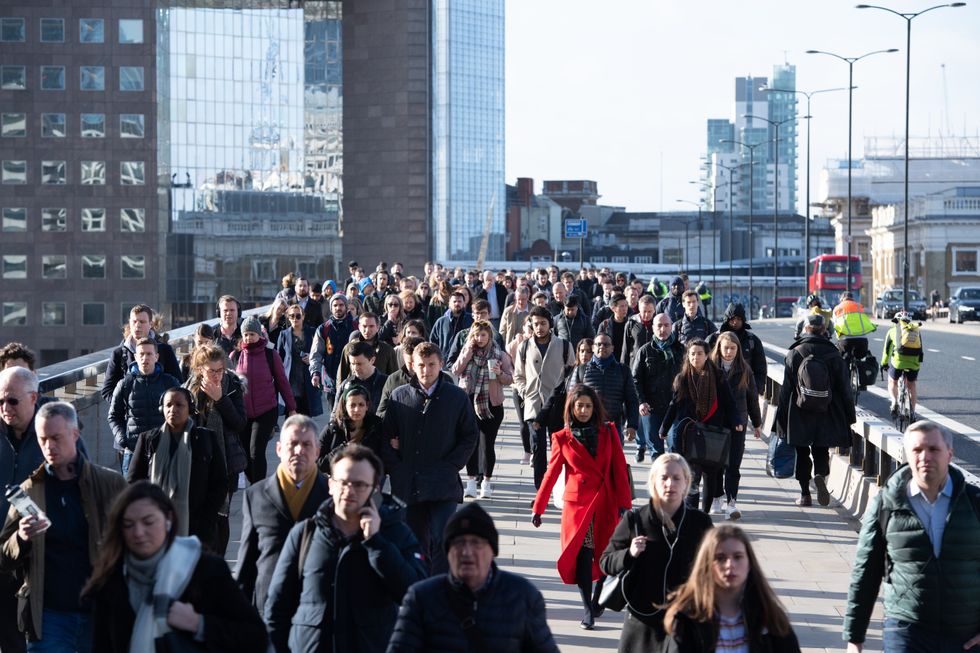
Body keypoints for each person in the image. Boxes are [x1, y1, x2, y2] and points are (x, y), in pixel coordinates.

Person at [265, 444, 425, 653]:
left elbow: (415, 593)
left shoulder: (395, 533)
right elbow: (276, 608)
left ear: (374, 489)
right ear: (330, 485)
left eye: (359, 485)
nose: (349, 491)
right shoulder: (305, 534)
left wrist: (377, 544)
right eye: (343, 483)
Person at [843, 420, 980, 653]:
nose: (925, 457)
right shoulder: (887, 503)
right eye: (917, 450)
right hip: (906, 630)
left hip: (964, 635)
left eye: (933, 449)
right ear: (907, 454)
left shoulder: (974, 502)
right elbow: (866, 570)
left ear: (950, 454)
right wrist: (854, 638)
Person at [0, 401, 127, 651]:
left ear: (75, 434)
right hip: (49, 618)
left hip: (99, 612)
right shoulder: (28, 492)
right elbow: (3, 556)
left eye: (56, 438)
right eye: (43, 439)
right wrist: (21, 538)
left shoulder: (110, 484)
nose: (49, 447)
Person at [84, 481, 269, 653]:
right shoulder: (110, 581)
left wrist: (199, 624)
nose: (138, 533)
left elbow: (255, 637)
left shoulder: (204, 570)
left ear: (168, 519)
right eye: (128, 525)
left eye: (148, 522)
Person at [387, 501, 560, 653]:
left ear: (492, 550)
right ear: (447, 552)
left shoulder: (523, 596)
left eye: (476, 543)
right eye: (458, 543)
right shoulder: (421, 597)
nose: (467, 552)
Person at [531, 384, 633, 630]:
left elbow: (619, 469)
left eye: (588, 406)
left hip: (606, 501)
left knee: (605, 554)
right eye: (579, 406)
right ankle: (587, 607)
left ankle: (598, 599)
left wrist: (624, 503)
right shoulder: (562, 438)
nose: (584, 410)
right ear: (572, 408)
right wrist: (538, 507)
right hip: (579, 505)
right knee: (584, 555)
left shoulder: (609, 432)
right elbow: (551, 473)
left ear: (594, 408)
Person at [599, 454, 714, 653]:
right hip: (643, 623)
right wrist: (629, 553)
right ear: (653, 481)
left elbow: (714, 568)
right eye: (664, 477)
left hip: (685, 622)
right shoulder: (635, 520)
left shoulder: (700, 522)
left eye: (677, 478)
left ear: (686, 483)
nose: (670, 484)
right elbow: (605, 561)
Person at [382, 342, 479, 573]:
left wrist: (452, 465)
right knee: (414, 542)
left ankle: (442, 587)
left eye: (431, 365)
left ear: (441, 364)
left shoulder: (455, 397)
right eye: (421, 365)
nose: (426, 371)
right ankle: (419, 586)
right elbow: (386, 437)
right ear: (412, 366)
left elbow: (470, 435)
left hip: (442, 481)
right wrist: (397, 467)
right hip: (408, 483)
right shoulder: (399, 396)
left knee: (443, 538)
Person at [235, 415, 328, 614]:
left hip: (318, 610)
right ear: (278, 449)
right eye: (292, 444)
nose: (299, 451)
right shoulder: (256, 496)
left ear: (317, 451)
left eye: (306, 445)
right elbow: (246, 565)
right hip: (268, 605)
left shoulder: (332, 496)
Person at [663, 525, 800, 653]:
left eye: (738, 557)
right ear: (707, 564)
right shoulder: (688, 616)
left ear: (749, 563)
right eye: (720, 558)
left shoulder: (767, 614)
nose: (730, 565)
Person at [128, 387, 227, 545]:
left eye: (179, 405)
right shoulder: (148, 440)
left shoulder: (205, 439)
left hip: (197, 529)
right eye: (168, 405)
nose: (173, 409)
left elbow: (220, 482)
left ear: (190, 409)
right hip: (154, 527)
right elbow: (133, 483)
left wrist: (207, 517)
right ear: (162, 409)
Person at [775, 314, 855, 507]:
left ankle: (804, 495)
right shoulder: (834, 354)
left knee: (802, 452)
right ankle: (820, 475)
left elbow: (786, 389)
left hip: (799, 410)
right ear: (824, 330)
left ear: (805, 329)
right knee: (821, 449)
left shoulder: (795, 353)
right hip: (827, 410)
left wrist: (780, 419)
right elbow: (845, 389)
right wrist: (849, 416)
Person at [659, 339, 736, 513]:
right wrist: (665, 426)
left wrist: (737, 422)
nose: (695, 357)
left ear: (707, 355)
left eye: (700, 353)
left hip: (712, 433)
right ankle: (691, 514)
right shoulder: (682, 378)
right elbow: (674, 405)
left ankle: (705, 514)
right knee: (692, 477)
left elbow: (730, 403)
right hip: (689, 434)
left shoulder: (718, 377)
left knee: (711, 476)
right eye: (692, 354)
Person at [185, 343, 247, 555]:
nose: (216, 376)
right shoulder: (190, 390)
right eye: (211, 371)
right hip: (198, 462)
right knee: (200, 513)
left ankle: (218, 559)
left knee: (222, 515)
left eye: (219, 370)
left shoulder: (232, 384)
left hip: (226, 462)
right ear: (200, 369)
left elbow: (239, 422)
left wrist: (221, 399)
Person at [0, 367, 46, 653]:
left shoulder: (52, 431)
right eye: (0, 401)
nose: (5, 408)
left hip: (34, 557)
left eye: (12, 401)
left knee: (31, 639)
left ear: (33, 398)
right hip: (1, 554)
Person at [512, 306, 576, 489]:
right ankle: (540, 489)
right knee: (538, 449)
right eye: (536, 324)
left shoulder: (564, 345)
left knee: (559, 449)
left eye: (543, 323)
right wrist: (525, 392)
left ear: (550, 324)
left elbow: (572, 372)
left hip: (557, 404)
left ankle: (560, 487)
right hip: (533, 405)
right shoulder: (525, 346)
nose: (539, 327)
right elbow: (518, 375)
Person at [452, 320, 514, 499]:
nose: (479, 339)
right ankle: (471, 482)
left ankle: (486, 482)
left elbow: (510, 379)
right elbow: (456, 370)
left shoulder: (499, 354)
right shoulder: (468, 350)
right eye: (476, 335)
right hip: (469, 403)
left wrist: (500, 372)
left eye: (483, 335)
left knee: (487, 445)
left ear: (489, 336)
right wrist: (467, 351)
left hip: (491, 405)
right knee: (471, 444)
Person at [234, 315, 297, 483]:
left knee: (256, 451)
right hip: (244, 413)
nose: (249, 337)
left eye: (252, 334)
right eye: (246, 334)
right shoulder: (236, 356)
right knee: (245, 454)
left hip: (266, 410)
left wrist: (291, 408)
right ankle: (254, 483)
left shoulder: (270, 354)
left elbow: (283, 382)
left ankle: (258, 488)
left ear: (259, 335)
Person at [108, 337, 182, 477]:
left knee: (162, 496)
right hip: (133, 451)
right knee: (133, 496)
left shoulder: (169, 382)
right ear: (135, 356)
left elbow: (183, 413)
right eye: (141, 354)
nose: (145, 358)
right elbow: (113, 416)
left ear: (156, 357)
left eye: (149, 354)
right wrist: (123, 439)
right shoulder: (125, 384)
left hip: (163, 450)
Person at [710, 332, 762, 520]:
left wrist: (756, 423)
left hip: (737, 424)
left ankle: (731, 502)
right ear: (719, 348)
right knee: (715, 464)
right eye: (726, 348)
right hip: (715, 423)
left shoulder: (744, 369)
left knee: (733, 465)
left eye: (733, 348)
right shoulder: (710, 368)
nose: (729, 352)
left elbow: (752, 398)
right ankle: (717, 496)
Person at [101, 304, 181, 402]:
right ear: (129, 323)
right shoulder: (119, 354)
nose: (137, 325)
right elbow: (107, 390)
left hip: (160, 414)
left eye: (142, 322)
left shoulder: (164, 350)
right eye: (134, 321)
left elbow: (178, 384)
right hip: (130, 415)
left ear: (150, 324)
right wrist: (125, 406)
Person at [632, 313, 685, 463]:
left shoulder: (681, 350)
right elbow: (635, 379)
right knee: (656, 451)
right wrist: (641, 401)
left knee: (675, 448)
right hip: (651, 408)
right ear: (653, 328)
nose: (663, 329)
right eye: (659, 326)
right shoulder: (644, 351)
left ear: (671, 327)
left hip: (675, 408)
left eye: (666, 325)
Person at [570, 334, 640, 445]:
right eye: (598, 344)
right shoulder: (581, 370)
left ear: (612, 348)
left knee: (613, 460)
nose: (602, 347)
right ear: (593, 348)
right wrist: (569, 423)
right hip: (587, 425)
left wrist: (632, 425)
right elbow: (571, 399)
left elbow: (631, 399)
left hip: (614, 426)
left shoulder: (623, 370)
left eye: (606, 344)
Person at [706, 302, 768, 394]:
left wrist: (756, 390)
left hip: (744, 393)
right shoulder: (713, 339)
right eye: (732, 319)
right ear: (727, 319)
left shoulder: (752, 341)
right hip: (717, 393)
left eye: (739, 319)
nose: (735, 322)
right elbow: (703, 365)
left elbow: (760, 369)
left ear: (743, 320)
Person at [310, 293, 356, 414]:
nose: (338, 308)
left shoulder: (356, 327)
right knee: (335, 415)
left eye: (341, 305)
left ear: (346, 307)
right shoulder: (323, 329)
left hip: (352, 379)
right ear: (331, 308)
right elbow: (316, 354)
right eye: (335, 305)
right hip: (330, 381)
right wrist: (315, 373)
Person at [317, 385, 385, 467]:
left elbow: (385, 460)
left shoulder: (377, 427)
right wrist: (342, 450)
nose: (357, 409)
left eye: (361, 405)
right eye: (352, 405)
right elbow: (317, 462)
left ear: (367, 406)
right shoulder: (333, 428)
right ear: (345, 406)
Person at [276, 305, 323, 417]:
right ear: (288, 317)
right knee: (291, 422)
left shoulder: (312, 332)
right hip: (290, 384)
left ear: (303, 316)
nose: (295, 319)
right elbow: (278, 359)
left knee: (306, 422)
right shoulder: (284, 334)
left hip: (307, 383)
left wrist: (311, 358)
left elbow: (320, 353)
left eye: (298, 316)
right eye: (292, 316)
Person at [881, 310, 924, 419]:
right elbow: (920, 350)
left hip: (898, 362)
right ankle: (913, 411)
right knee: (912, 385)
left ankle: (894, 402)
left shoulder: (892, 331)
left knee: (892, 381)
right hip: (914, 363)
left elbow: (887, 350)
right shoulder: (915, 330)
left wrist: (884, 363)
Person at [338, 312, 400, 380]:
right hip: (356, 388)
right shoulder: (349, 348)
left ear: (377, 327)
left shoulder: (387, 350)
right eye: (364, 326)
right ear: (359, 327)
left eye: (371, 326)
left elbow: (394, 378)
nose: (367, 330)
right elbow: (341, 376)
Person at [336, 340, 388, 412]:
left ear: (372, 360)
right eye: (352, 364)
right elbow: (336, 413)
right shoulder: (346, 384)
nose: (355, 368)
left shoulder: (386, 383)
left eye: (359, 364)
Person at [832, 292, 877, 363]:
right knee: (860, 357)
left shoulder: (837, 308)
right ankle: (859, 370)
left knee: (841, 359)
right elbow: (865, 321)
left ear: (842, 299)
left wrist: (838, 338)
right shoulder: (859, 307)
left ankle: (845, 371)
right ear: (852, 299)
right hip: (862, 340)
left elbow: (835, 326)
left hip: (845, 341)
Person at [430, 290, 473, 363]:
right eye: (454, 301)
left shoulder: (471, 319)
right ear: (449, 304)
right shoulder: (441, 322)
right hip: (445, 361)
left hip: (467, 360)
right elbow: (433, 341)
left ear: (464, 303)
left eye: (459, 301)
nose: (457, 304)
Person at [622, 295, 657, 368]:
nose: (646, 315)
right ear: (639, 309)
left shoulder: (659, 323)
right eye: (644, 311)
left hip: (655, 365)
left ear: (654, 310)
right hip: (635, 364)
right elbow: (625, 349)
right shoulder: (631, 323)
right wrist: (623, 369)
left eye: (649, 311)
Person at [597, 293, 631, 363]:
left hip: (626, 362)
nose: (625, 308)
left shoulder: (631, 324)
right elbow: (599, 344)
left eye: (626, 306)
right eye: (621, 306)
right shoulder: (605, 325)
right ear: (613, 308)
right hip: (609, 361)